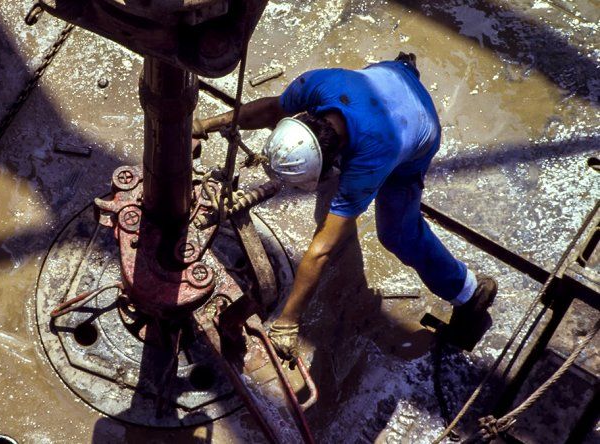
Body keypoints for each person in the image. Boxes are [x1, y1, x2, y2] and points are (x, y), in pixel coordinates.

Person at [193, 53, 497, 360]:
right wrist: (206, 124)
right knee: (338, 212)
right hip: (387, 77)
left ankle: (468, 291)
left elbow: (322, 249)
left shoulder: (370, 161)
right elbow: (272, 109)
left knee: (396, 233)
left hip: (416, 124)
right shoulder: (314, 86)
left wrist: (288, 321)